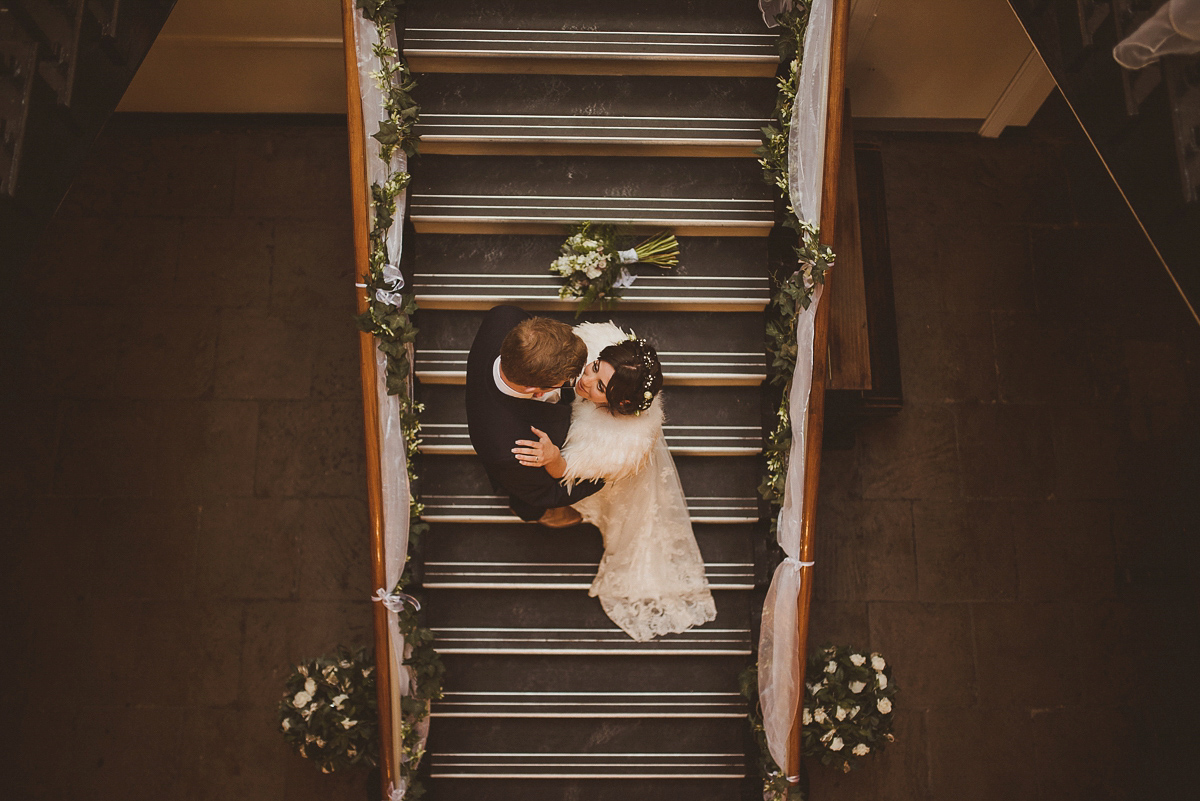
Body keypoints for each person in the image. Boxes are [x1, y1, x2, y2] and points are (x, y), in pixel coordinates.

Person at [513, 321, 717, 641]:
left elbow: (568, 473)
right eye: (594, 367)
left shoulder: (616, 444)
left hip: (604, 469)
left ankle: (578, 512)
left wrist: (553, 457)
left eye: (599, 386)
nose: (586, 379)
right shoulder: (608, 348)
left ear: (619, 405)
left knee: (604, 498)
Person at [465, 305, 604, 527]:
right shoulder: (509, 449)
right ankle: (535, 515)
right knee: (526, 497)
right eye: (564, 381)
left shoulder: (505, 316)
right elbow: (548, 494)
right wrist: (609, 471)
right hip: (524, 478)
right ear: (535, 390)